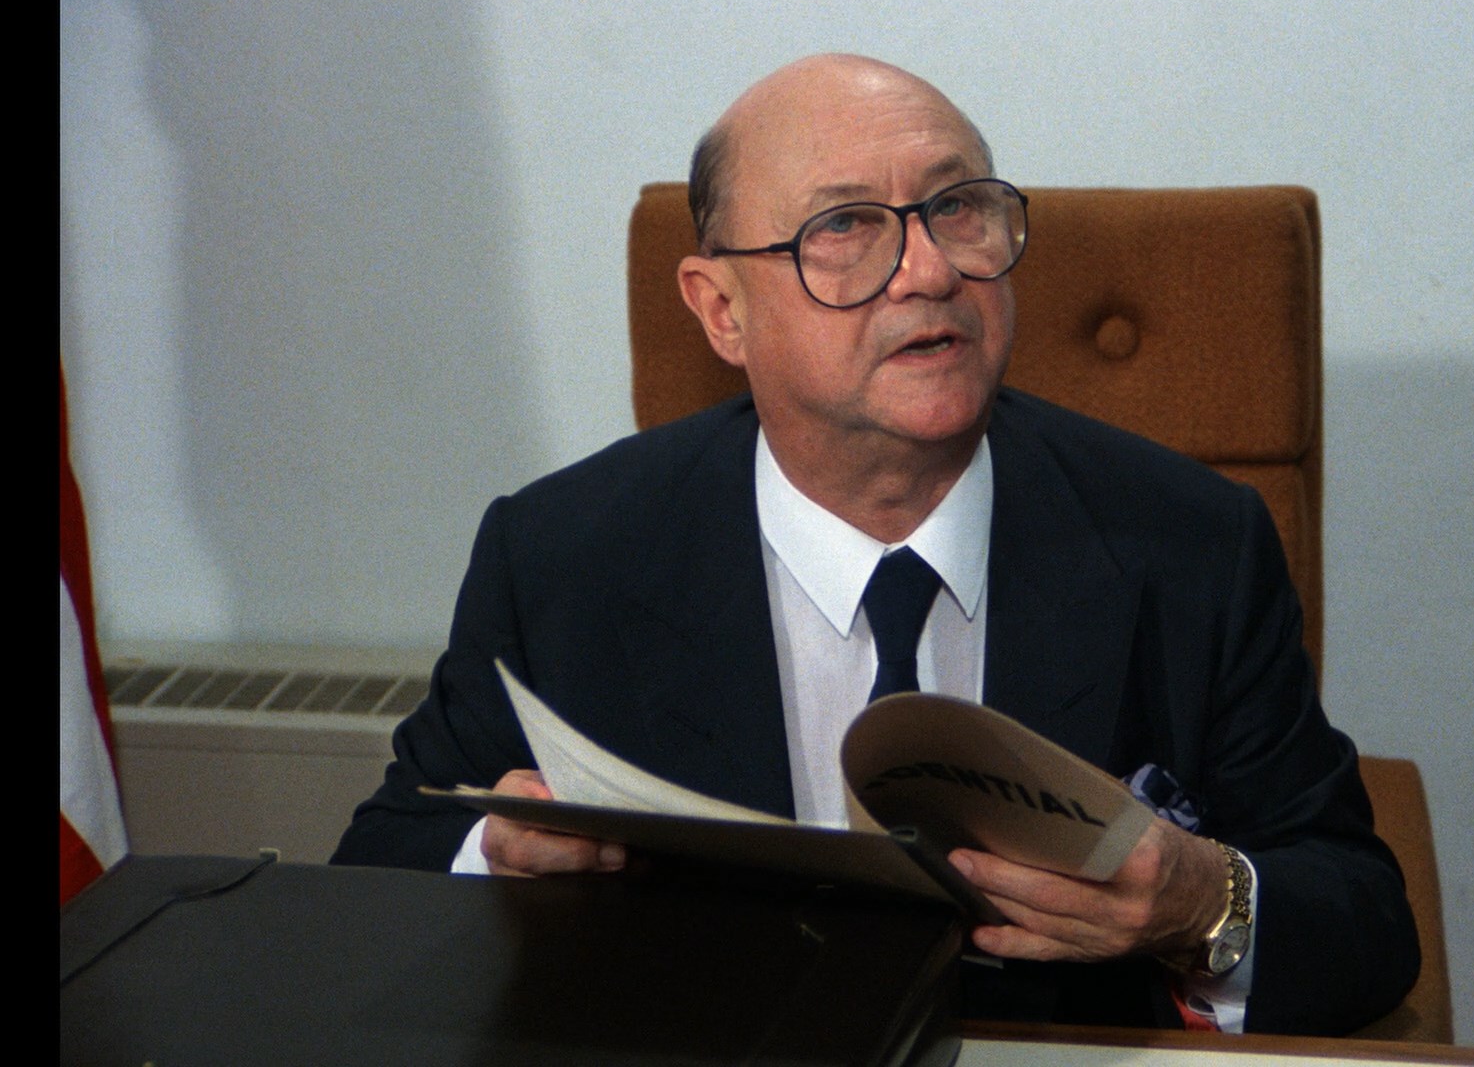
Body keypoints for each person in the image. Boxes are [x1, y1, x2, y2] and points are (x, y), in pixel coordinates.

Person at [333, 54, 1418, 1035]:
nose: (929, 271)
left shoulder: (1190, 542)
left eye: (957, 208)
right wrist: (498, 856)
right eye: (845, 226)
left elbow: (1363, 922)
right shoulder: (563, 556)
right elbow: (378, 869)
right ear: (721, 311)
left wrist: (1199, 904)